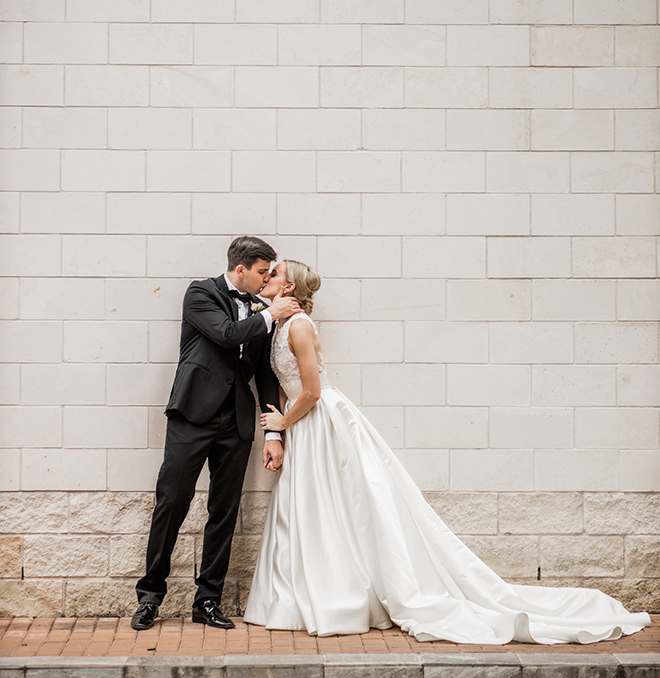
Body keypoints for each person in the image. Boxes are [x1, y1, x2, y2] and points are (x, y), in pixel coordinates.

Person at [244, 259, 650, 645]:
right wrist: (282, 427)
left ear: (289, 285)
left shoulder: (298, 325)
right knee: (314, 507)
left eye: (273, 272)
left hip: (318, 419)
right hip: (304, 424)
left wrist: (283, 423)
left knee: (336, 505)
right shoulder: (279, 325)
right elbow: (288, 383)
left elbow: (313, 390)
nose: (267, 277)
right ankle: (306, 594)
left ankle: (341, 597)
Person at [130, 236, 300, 631]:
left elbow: (264, 375)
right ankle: (150, 597)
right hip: (192, 416)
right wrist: (270, 315)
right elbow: (225, 334)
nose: (266, 279)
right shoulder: (200, 293)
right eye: (262, 272)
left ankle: (207, 601)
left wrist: (273, 432)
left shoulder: (261, 309)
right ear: (241, 269)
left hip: (236, 422)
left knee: (223, 513)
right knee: (171, 503)